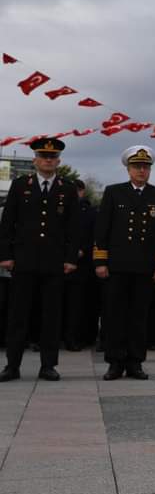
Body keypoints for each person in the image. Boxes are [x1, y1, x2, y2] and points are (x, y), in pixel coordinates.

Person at [0, 138, 80, 382]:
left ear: (58, 161)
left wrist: (70, 258)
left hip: (54, 263)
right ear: (35, 159)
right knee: (18, 315)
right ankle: (12, 365)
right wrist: (5, 255)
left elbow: (74, 228)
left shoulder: (67, 188)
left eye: (52, 157)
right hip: (24, 261)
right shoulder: (21, 184)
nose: (48, 160)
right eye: (44, 156)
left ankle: (48, 365)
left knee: (51, 316)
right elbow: (7, 224)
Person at [94, 146, 155, 380]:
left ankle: (135, 362)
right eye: (137, 167)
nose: (141, 171)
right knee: (114, 316)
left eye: (145, 167)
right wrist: (100, 260)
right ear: (128, 169)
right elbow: (102, 230)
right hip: (117, 265)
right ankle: (115, 362)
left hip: (145, 267)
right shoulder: (114, 192)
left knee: (139, 317)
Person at [63, 178, 98, 351]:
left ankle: (73, 338)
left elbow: (95, 236)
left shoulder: (91, 212)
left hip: (81, 265)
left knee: (76, 305)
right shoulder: (60, 208)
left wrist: (82, 250)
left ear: (82, 191)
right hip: (58, 262)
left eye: (77, 191)